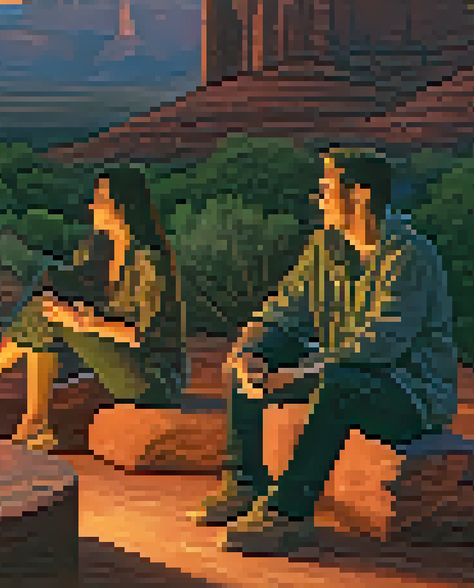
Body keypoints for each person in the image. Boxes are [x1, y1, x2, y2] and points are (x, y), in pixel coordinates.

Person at [193, 147, 457, 556]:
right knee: (251, 358)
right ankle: (244, 485)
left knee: (337, 384)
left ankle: (289, 517)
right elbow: (285, 308)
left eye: (326, 188)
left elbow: (380, 343)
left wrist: (298, 375)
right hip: (341, 370)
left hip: (407, 394)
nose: (318, 198)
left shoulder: (409, 254)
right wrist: (250, 347)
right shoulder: (325, 246)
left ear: (362, 195)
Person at [0, 167, 189, 451]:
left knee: (45, 316)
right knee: (42, 316)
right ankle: (30, 423)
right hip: (120, 362)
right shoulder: (101, 251)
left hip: (153, 378)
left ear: (122, 205)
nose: (92, 205)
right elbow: (71, 287)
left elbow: (140, 336)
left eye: (100, 198)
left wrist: (82, 322)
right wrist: (58, 293)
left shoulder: (148, 261)